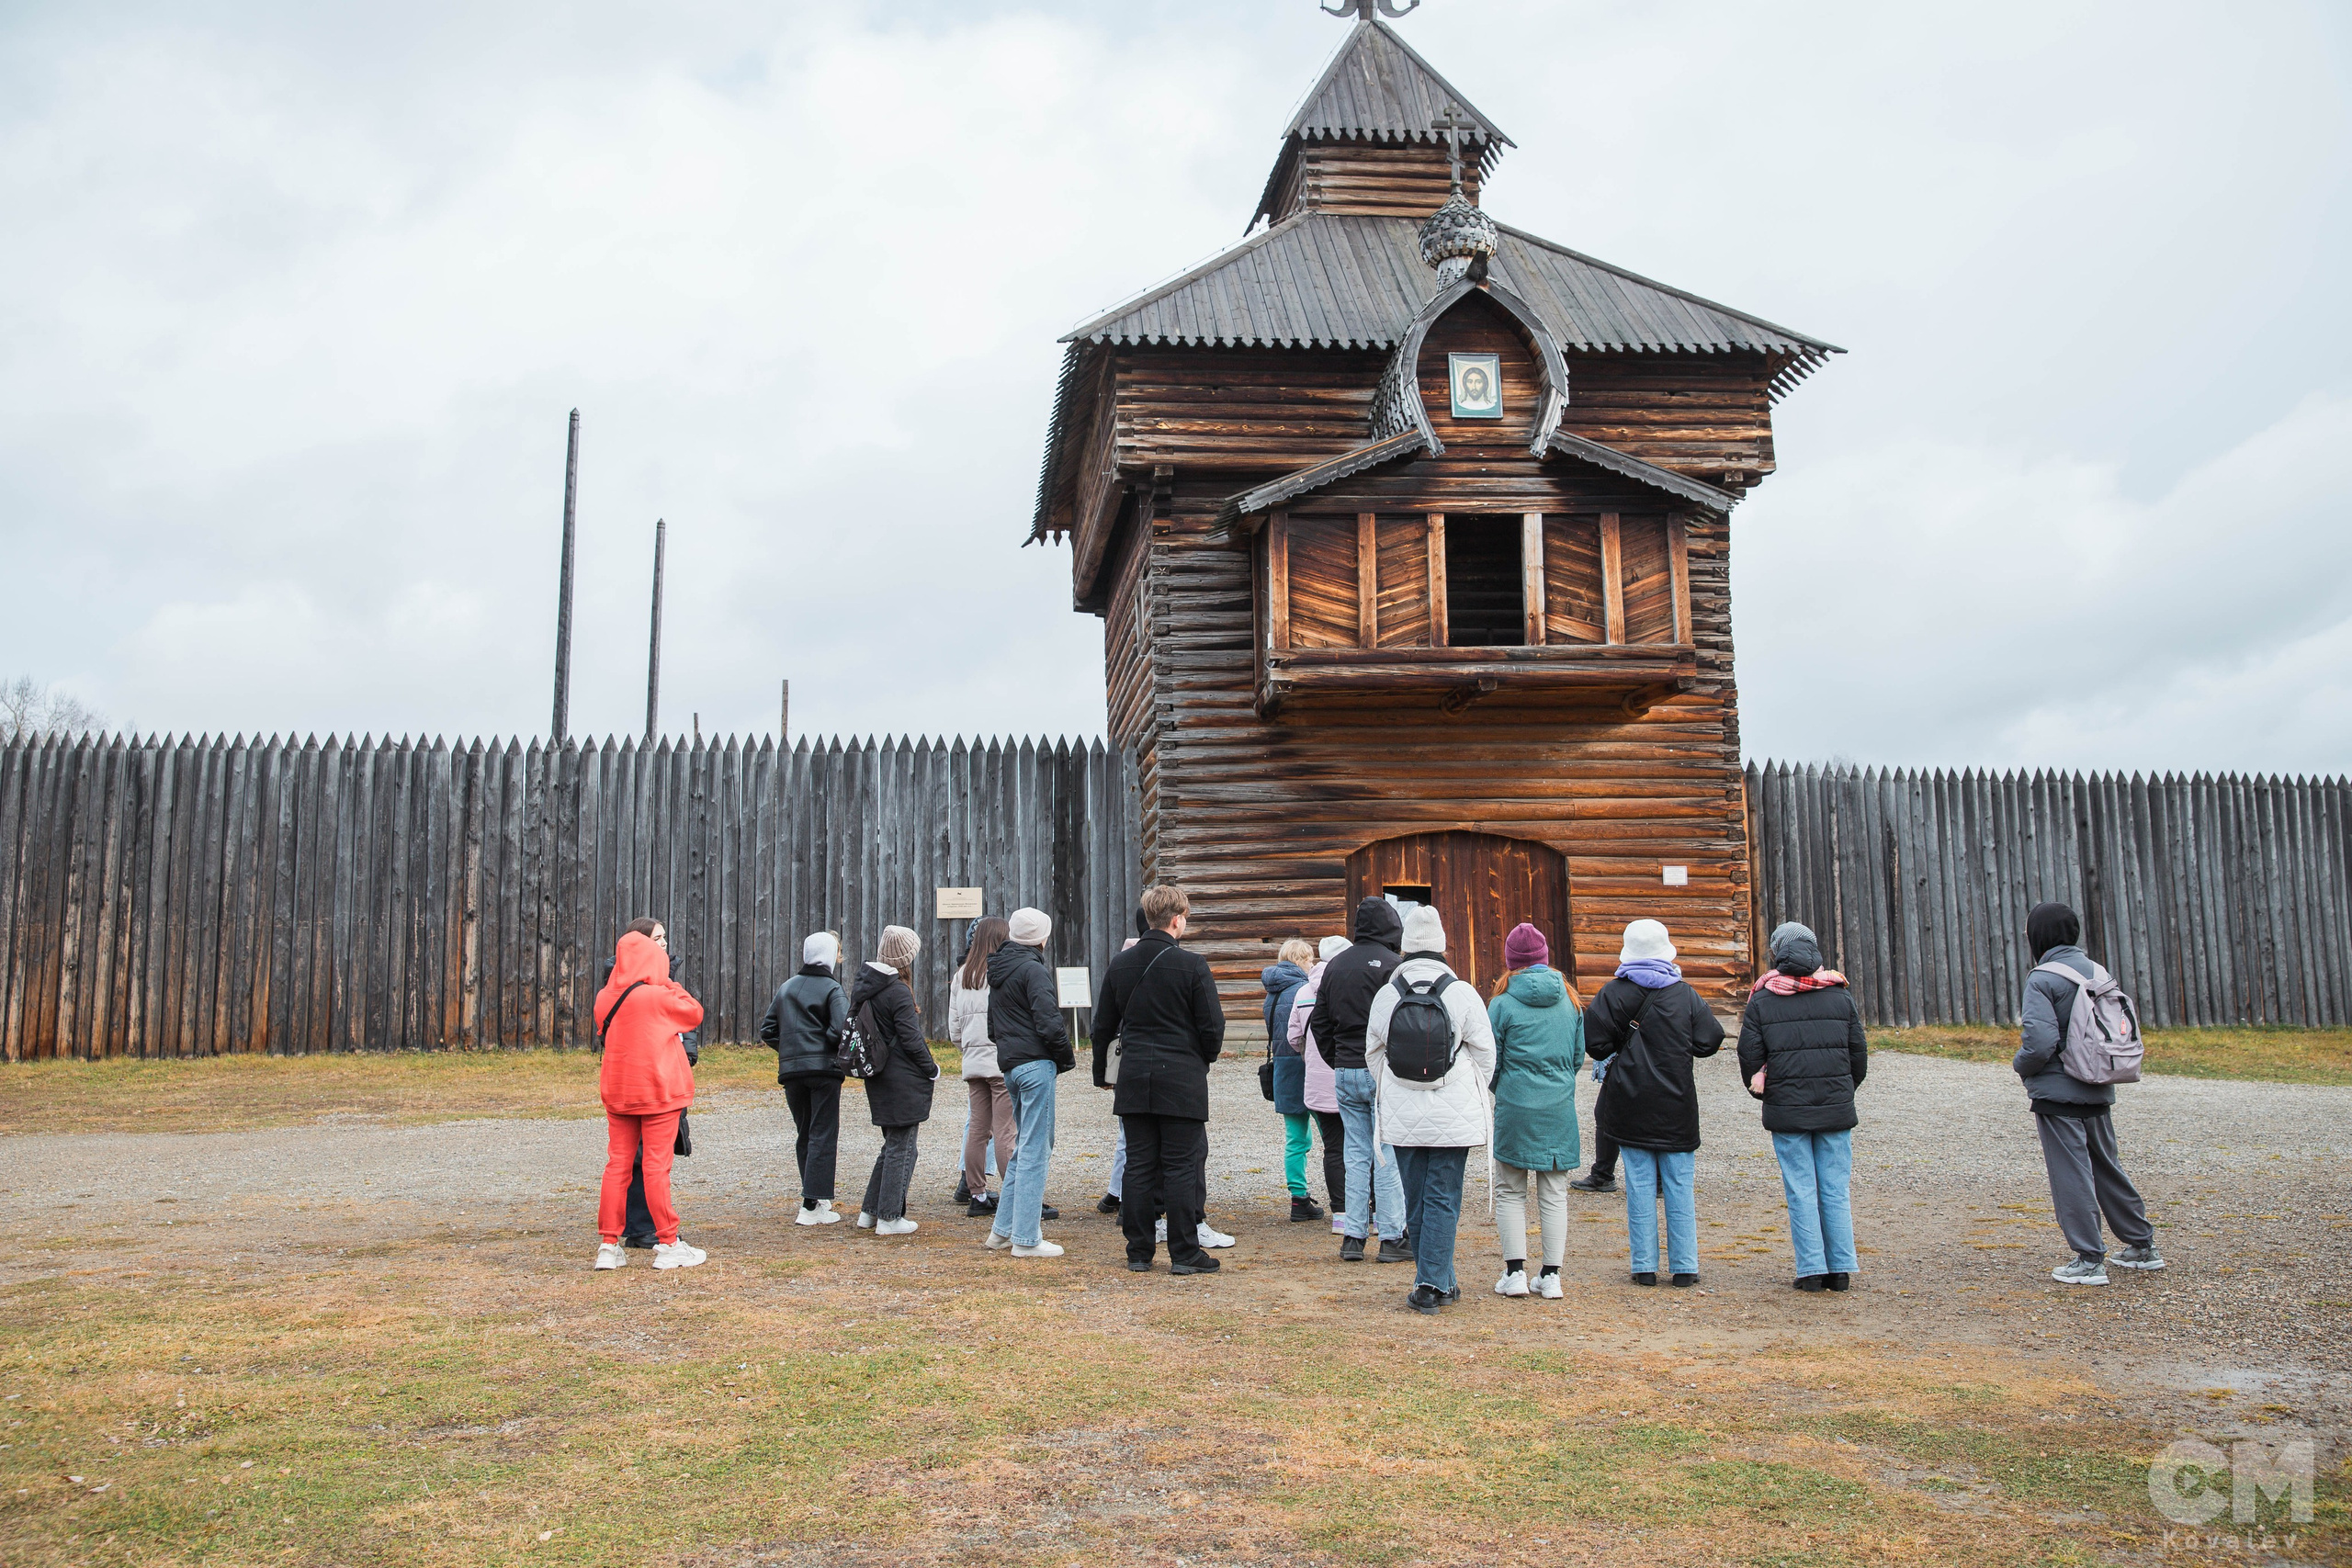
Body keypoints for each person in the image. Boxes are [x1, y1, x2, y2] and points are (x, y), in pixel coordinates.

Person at [2017, 902, 2165, 1286]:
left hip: (2058, 1091)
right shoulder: (2097, 971)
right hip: (2099, 1083)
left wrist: (2021, 1066)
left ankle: (2088, 1258)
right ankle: (2141, 1246)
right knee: (2106, 1166)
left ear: (2039, 935)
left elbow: (2040, 1042)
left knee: (2072, 1174)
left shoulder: (2042, 978)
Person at [1364, 906, 1496, 1313]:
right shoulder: (1462, 992)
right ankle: (1431, 1283)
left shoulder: (1387, 994)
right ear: (1441, 944)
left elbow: (1373, 1054)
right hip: (1452, 1111)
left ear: (1405, 946)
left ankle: (1437, 1279)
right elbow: (1486, 1054)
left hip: (1403, 1113)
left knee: (1417, 1197)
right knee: (1442, 1196)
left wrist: (1400, 1084)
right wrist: (1460, 1082)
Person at [1096, 884, 1227, 1274]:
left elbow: (1102, 1026)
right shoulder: (1192, 965)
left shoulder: (1120, 965)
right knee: (1181, 1165)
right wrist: (1201, 1060)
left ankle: (1138, 1251)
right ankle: (1185, 1253)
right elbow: (1213, 1027)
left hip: (1134, 1074)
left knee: (1138, 1164)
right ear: (1176, 920)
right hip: (1182, 1076)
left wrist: (1103, 1075)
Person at [1585, 919, 1724, 1288]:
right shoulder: (1685, 994)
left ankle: (1644, 1267)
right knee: (1679, 1185)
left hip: (1629, 1100)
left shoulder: (1612, 993)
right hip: (1676, 1102)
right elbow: (1710, 1041)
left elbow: (1595, 1045)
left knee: (1639, 1184)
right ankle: (1685, 1266)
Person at [1736, 921, 1867, 1292]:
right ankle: (1840, 1270)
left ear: (1777, 953)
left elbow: (1749, 1054)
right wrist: (1844, 1089)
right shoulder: (1839, 993)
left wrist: (1764, 1092)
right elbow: (1857, 1053)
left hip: (1787, 1107)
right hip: (1835, 1106)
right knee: (1835, 1187)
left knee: (1801, 1188)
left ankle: (1810, 1270)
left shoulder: (1763, 996)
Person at [592, 921, 706, 1270]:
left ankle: (609, 1246)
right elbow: (694, 1013)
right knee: (657, 1168)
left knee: (617, 1167)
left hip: (619, 1091)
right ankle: (668, 1243)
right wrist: (666, 980)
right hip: (659, 1092)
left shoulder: (605, 997)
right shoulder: (660, 995)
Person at [1309, 897, 1412, 1264]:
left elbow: (1318, 1023)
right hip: (1381, 1068)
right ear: (1392, 927)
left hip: (1346, 1069)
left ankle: (1353, 1236)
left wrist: (1337, 1059)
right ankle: (1391, 1236)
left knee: (1354, 1154)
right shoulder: (1394, 967)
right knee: (1386, 1154)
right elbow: (1404, 1022)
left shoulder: (1335, 966)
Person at [1487, 922, 1584, 1301]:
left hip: (1514, 1106)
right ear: (1544, 958)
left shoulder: (1502, 1002)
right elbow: (1577, 1057)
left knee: (1510, 1189)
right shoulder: (1570, 1000)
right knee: (1555, 1191)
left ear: (1511, 961)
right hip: (1558, 1106)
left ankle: (1514, 1273)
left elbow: (1489, 1058)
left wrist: (1505, 1088)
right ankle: (1552, 1275)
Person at [986, 907, 1075, 1258]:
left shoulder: (1000, 969)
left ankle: (1002, 1230)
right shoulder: (1034, 969)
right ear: (1042, 937)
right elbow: (1049, 1021)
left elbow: (993, 1027)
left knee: (1025, 1147)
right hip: (1036, 1064)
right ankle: (1026, 1238)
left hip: (1011, 1065)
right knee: (1037, 1149)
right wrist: (1064, 1058)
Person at [850, 925, 937, 1235]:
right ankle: (889, 1217)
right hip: (902, 1077)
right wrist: (932, 1068)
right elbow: (912, 1040)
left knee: (892, 1145)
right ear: (906, 958)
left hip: (878, 1074)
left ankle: (870, 1212)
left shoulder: (866, 986)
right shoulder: (897, 990)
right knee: (903, 1147)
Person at [760, 930, 850, 1226]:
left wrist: (791, 1049)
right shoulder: (832, 989)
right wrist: (824, 1046)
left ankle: (814, 1199)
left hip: (792, 1073)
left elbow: (767, 1030)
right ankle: (812, 1205)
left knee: (805, 1133)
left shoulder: (786, 988)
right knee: (823, 1132)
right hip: (824, 1071)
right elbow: (842, 1029)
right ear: (827, 957)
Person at [619, 920, 699, 1247]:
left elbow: (682, 1021)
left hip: (668, 1071)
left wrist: (687, 1049)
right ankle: (643, 1228)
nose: (663, 943)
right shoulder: (627, 983)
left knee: (656, 1156)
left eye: (665, 937)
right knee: (642, 1158)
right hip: (647, 1079)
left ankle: (650, 1224)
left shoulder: (666, 977)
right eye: (656, 938)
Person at [949, 916, 1018, 1219]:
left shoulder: (961, 975)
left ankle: (976, 1194)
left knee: (977, 1130)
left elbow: (953, 1030)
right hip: (1000, 1061)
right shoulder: (1000, 971)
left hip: (973, 1063)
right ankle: (1015, 1194)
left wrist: (969, 1047)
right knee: (1005, 1132)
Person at [1287, 934, 1353, 1231]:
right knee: (1362, 1145)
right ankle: (1371, 1210)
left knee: (1333, 1148)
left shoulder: (1302, 992)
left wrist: (1309, 1055)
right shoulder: (1351, 986)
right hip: (1350, 1075)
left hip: (1317, 1082)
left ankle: (1340, 1214)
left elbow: (1293, 1037)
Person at [1261, 938, 1329, 1224]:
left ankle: (1298, 1197)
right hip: (1307, 1065)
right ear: (1301, 960)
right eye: (1308, 959)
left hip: (1283, 1069)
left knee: (1295, 1138)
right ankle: (1347, 1193)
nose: (1311, 964)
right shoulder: (1304, 990)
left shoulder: (1271, 994)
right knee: (1333, 1135)